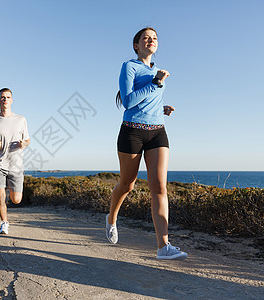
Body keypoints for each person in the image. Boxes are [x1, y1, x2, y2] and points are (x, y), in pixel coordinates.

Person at [105, 27, 187, 260]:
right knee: (127, 184)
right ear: (136, 45)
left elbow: (148, 100)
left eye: (155, 38)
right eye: (145, 38)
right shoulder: (129, 66)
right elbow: (129, 102)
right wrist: (157, 83)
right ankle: (111, 217)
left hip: (158, 132)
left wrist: (161, 108)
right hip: (132, 132)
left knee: (159, 187)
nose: (151, 41)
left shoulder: (155, 71)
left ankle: (164, 246)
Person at [0, 88, 30, 235]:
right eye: (2, 97)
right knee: (0, 197)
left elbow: (27, 140)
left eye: (8, 97)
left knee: (16, 200)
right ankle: (4, 224)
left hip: (16, 165)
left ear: (12, 100)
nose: (5, 100)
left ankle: (8, 187)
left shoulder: (21, 120)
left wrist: (23, 144)